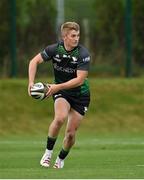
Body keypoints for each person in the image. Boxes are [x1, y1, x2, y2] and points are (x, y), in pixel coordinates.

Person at [28, 22, 91, 168]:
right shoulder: (55, 49)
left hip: (81, 95)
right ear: (64, 37)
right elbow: (34, 61)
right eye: (73, 36)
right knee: (60, 118)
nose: (76, 39)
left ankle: (60, 158)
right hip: (62, 92)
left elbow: (80, 80)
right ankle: (48, 153)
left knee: (70, 134)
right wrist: (31, 83)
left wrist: (57, 86)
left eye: (78, 35)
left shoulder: (83, 53)